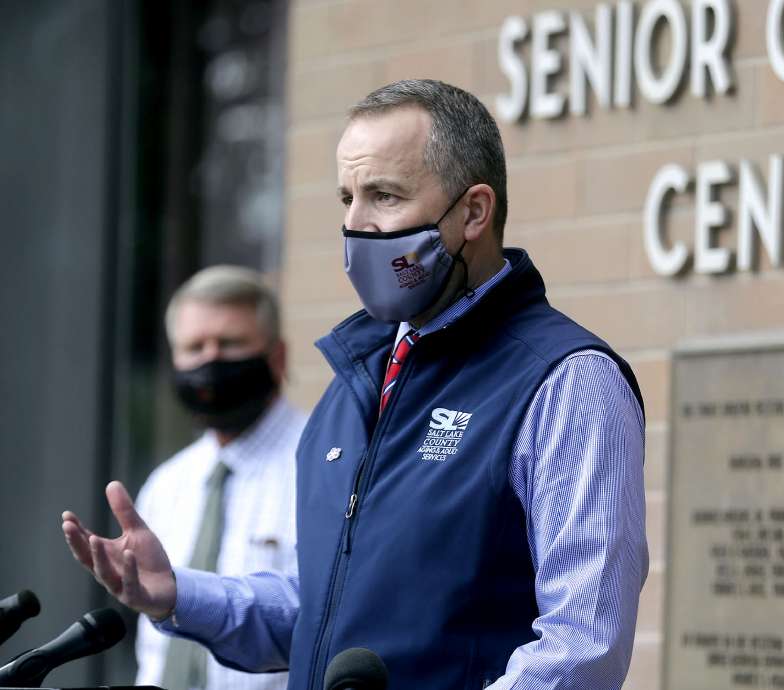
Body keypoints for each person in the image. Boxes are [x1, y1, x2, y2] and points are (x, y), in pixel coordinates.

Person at [61, 79, 648, 690]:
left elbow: (583, 646)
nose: (354, 224)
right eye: (347, 197)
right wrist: (180, 594)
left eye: (384, 196)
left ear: (474, 212)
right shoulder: (357, 381)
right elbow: (323, 611)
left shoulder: (566, 380)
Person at [134, 266, 305, 690]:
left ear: (277, 357)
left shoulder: (325, 465)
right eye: (194, 347)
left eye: (229, 344)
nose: (210, 360)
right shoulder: (166, 484)